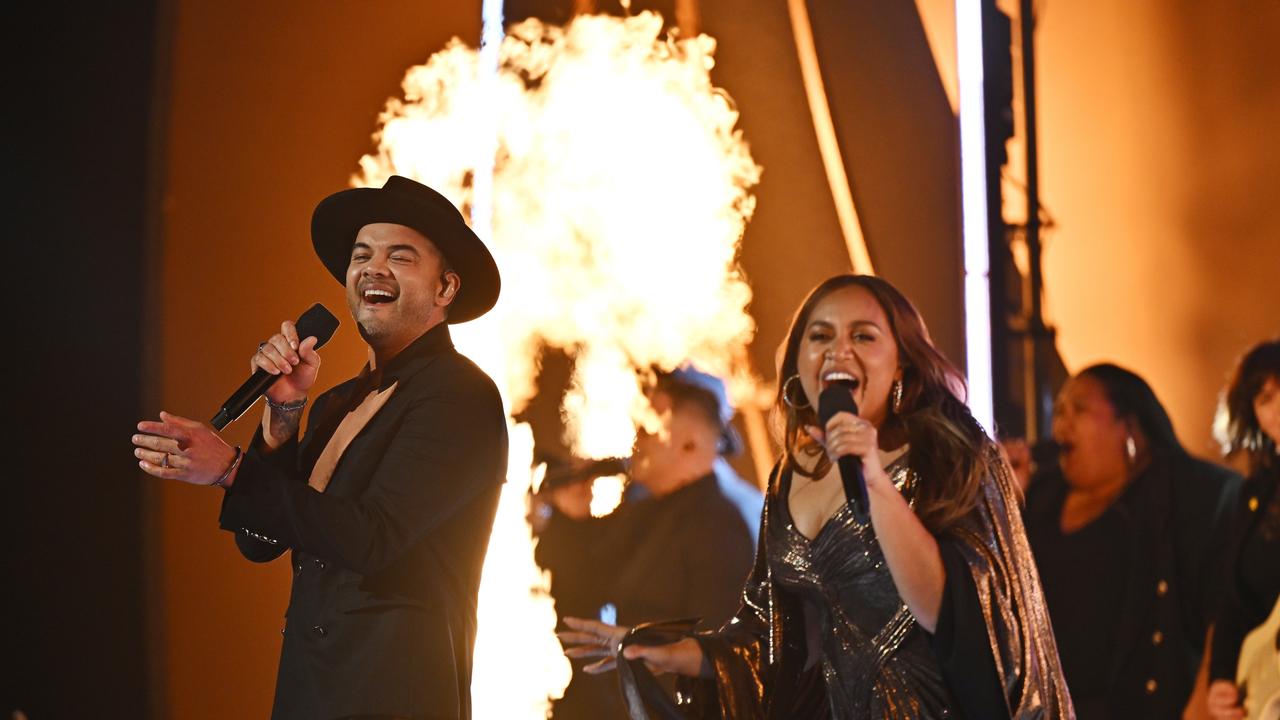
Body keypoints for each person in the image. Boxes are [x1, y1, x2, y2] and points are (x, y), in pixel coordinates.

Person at [560, 274, 1074, 719]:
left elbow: (963, 619)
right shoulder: (790, 476)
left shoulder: (955, 459)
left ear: (901, 365)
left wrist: (872, 476)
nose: (837, 349)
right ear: (801, 368)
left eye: (863, 336)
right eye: (820, 335)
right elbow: (771, 639)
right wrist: (680, 653)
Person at [131, 175, 509, 719]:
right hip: (311, 692)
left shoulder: (461, 395)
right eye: (362, 255)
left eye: (400, 257)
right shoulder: (335, 403)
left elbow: (372, 538)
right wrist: (282, 415)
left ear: (445, 288)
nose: (373, 269)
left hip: (395, 698)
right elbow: (260, 540)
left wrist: (232, 469)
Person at [534, 367, 759, 719]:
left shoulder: (719, 526)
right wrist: (570, 518)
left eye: (649, 429)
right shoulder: (645, 513)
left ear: (689, 445)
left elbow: (723, 656)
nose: (638, 440)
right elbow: (584, 584)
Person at [1023, 363, 1241, 719]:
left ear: (1131, 428)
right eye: (1059, 411)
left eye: (1079, 409)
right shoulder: (1040, 499)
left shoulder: (1188, 499)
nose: (1061, 425)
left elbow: (1223, 608)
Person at [1208, 340, 1280, 720]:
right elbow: (1233, 601)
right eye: (1265, 397)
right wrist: (1221, 679)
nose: (1279, 404)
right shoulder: (1254, 494)